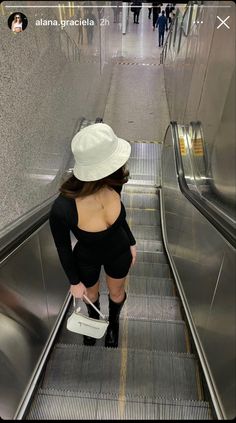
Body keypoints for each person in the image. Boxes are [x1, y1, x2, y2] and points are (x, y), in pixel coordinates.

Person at [49, 123, 137, 349]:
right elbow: (62, 247)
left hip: (119, 251)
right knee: (91, 294)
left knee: (117, 293)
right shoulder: (63, 208)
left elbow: (119, 221)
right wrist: (73, 282)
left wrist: (132, 241)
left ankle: (113, 323)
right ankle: (94, 320)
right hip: (87, 258)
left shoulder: (113, 180)